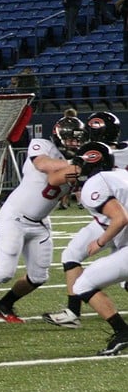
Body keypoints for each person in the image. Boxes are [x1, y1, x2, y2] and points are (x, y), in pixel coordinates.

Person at [0, 116, 83, 323]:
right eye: (69, 139)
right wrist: (73, 164)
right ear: (58, 136)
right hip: (15, 216)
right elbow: (42, 165)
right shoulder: (43, 145)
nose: (74, 144)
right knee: (4, 273)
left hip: (41, 222)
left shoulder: (80, 162)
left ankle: (4, 304)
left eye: (77, 140)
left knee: (39, 277)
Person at [43, 112, 127, 329]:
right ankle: (74, 311)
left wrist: (73, 164)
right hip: (115, 215)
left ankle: (73, 311)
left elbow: (54, 179)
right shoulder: (119, 151)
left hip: (111, 220)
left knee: (74, 257)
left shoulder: (94, 154)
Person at [59, 143, 128, 355]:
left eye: (80, 163)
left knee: (82, 285)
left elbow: (120, 218)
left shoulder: (95, 184)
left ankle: (123, 333)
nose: (77, 170)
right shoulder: (120, 175)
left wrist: (99, 242)